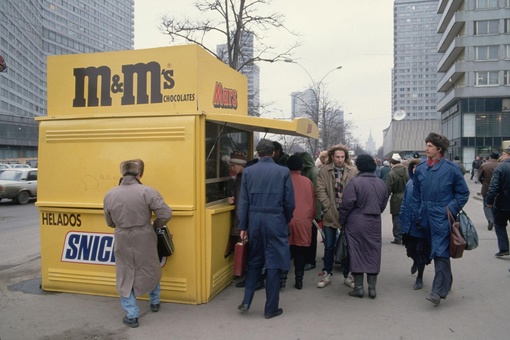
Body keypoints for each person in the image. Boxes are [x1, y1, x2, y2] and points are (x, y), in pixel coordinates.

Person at [103, 159, 172, 328]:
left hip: (122, 236)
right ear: (139, 174)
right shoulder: (147, 191)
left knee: (125, 272)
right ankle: (155, 302)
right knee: (150, 266)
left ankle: (132, 315)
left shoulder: (110, 194)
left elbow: (109, 222)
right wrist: (156, 224)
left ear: (122, 174)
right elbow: (166, 213)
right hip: (145, 235)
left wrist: (120, 225)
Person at [237, 139, 295, 319]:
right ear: (272, 153)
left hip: (254, 219)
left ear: (258, 153)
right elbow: (290, 202)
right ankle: (271, 309)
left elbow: (243, 201)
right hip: (275, 219)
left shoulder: (248, 171)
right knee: (274, 263)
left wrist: (243, 226)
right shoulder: (283, 171)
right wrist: (284, 218)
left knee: (254, 259)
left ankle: (246, 300)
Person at [411, 133, 469, 306]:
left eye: (429, 145)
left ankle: (437, 292)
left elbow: (463, 193)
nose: (426, 148)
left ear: (439, 149)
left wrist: (449, 209)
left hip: (442, 216)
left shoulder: (451, 169)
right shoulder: (421, 168)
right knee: (433, 249)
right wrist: (417, 212)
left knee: (440, 250)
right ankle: (447, 281)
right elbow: (416, 194)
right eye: (426, 145)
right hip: (425, 216)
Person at [339, 154, 388, 298]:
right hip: (374, 222)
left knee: (356, 252)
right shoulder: (381, 183)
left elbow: (347, 205)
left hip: (356, 222)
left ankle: (359, 288)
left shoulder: (354, 183)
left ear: (359, 166)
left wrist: (342, 221)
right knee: (374, 252)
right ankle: (372, 288)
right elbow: (383, 204)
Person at [316, 144, 358, 288]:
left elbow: (357, 191)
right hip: (330, 213)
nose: (340, 160)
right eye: (337, 157)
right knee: (329, 246)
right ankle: (327, 273)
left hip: (348, 213)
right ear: (332, 157)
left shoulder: (353, 171)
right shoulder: (324, 171)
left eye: (342, 157)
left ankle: (348, 275)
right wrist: (328, 206)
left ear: (345, 157)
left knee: (347, 245)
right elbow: (320, 190)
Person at [399, 158, 430, 290]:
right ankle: (415, 261)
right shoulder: (409, 183)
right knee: (410, 250)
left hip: (421, 224)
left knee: (420, 251)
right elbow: (404, 202)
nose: (415, 170)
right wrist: (401, 217)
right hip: (408, 223)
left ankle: (420, 278)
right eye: (413, 167)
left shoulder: (427, 184)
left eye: (418, 167)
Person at [287, 155, 316, 289]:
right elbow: (312, 203)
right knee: (300, 252)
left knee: (285, 250)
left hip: (286, 220)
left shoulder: (284, 180)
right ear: (301, 167)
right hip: (303, 221)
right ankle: (299, 280)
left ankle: (282, 279)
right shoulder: (307, 182)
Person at [297, 152, 322, 271]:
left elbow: (317, 194)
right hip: (307, 209)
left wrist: (316, 213)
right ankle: (307, 259)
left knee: (311, 237)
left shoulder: (313, 173)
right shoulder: (308, 171)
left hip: (312, 210)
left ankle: (310, 260)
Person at [486, 147, 510, 257]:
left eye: (504, 154)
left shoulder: (501, 168)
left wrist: (489, 200)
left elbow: (494, 186)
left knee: (500, 225)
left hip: (502, 203)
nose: (502, 156)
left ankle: (504, 248)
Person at [386, 153, 409, 245]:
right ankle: (405, 235)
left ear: (392, 162)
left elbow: (388, 188)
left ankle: (398, 237)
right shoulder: (407, 171)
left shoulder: (391, 173)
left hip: (396, 197)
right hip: (407, 196)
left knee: (396, 217)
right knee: (406, 216)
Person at [478, 152, 500, 231]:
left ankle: (490, 219)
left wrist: (484, 183)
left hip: (486, 188)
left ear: (490, 157)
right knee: (496, 205)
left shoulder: (484, 165)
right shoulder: (501, 165)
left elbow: (479, 177)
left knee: (487, 205)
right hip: (499, 189)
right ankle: (496, 220)